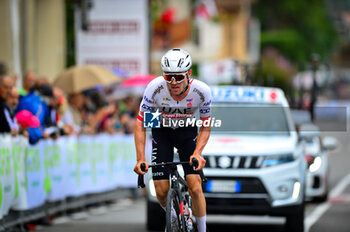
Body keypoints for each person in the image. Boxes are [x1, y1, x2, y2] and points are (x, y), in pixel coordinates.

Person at [133, 48, 212, 232]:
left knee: (195, 186)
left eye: (178, 76)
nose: (174, 82)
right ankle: (174, 219)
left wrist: (198, 153)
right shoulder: (154, 88)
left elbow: (205, 125)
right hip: (162, 132)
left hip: (187, 133)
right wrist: (140, 159)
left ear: (189, 74)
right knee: (160, 190)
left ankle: (201, 229)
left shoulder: (201, 91)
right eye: (169, 77)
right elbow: (141, 124)